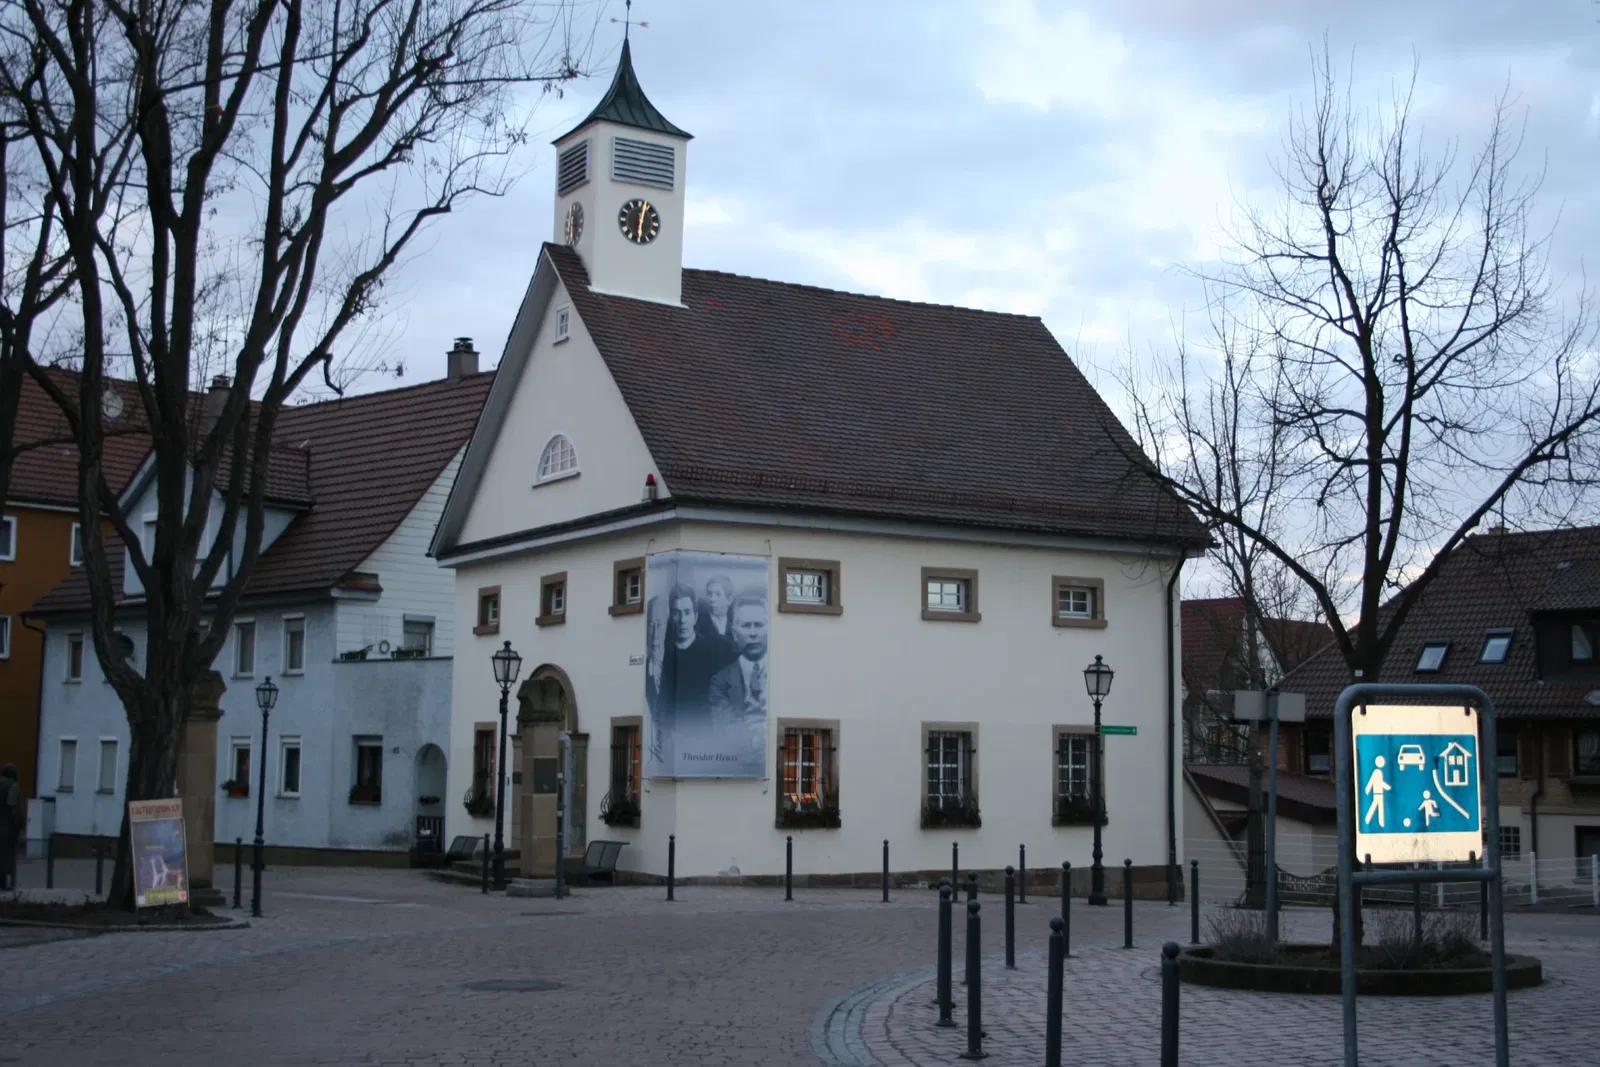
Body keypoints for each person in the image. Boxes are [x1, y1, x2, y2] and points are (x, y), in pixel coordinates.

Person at [708, 595, 770, 763]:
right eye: (746, 626)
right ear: (734, 633)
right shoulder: (719, 682)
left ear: (768, 629)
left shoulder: (784, 673)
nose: (752, 633)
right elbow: (727, 731)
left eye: (758, 625)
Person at [660, 584, 728, 731]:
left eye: (687, 612)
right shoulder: (665, 653)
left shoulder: (712, 649)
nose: (683, 620)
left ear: (695, 616)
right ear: (671, 618)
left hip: (705, 733)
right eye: (676, 613)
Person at [696, 576, 737, 661]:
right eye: (709, 594)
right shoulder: (697, 625)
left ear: (729, 600)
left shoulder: (735, 629)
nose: (712, 599)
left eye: (718, 594)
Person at [0, 764, 20, 890]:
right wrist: (18, 823)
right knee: (7, 854)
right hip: (7, 825)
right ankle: (5, 883)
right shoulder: (13, 786)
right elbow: (12, 805)